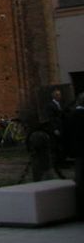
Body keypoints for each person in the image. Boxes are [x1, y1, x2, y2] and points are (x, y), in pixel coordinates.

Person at [68, 92, 84, 220]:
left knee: (80, 181)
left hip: (78, 153)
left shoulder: (72, 115)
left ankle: (80, 210)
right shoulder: (78, 115)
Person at [45, 87, 65, 167]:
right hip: (56, 128)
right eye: (59, 95)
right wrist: (55, 129)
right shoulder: (50, 105)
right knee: (57, 146)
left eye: (60, 94)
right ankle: (58, 163)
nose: (60, 96)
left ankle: (61, 161)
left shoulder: (59, 104)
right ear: (55, 96)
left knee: (61, 145)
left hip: (60, 127)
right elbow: (51, 118)